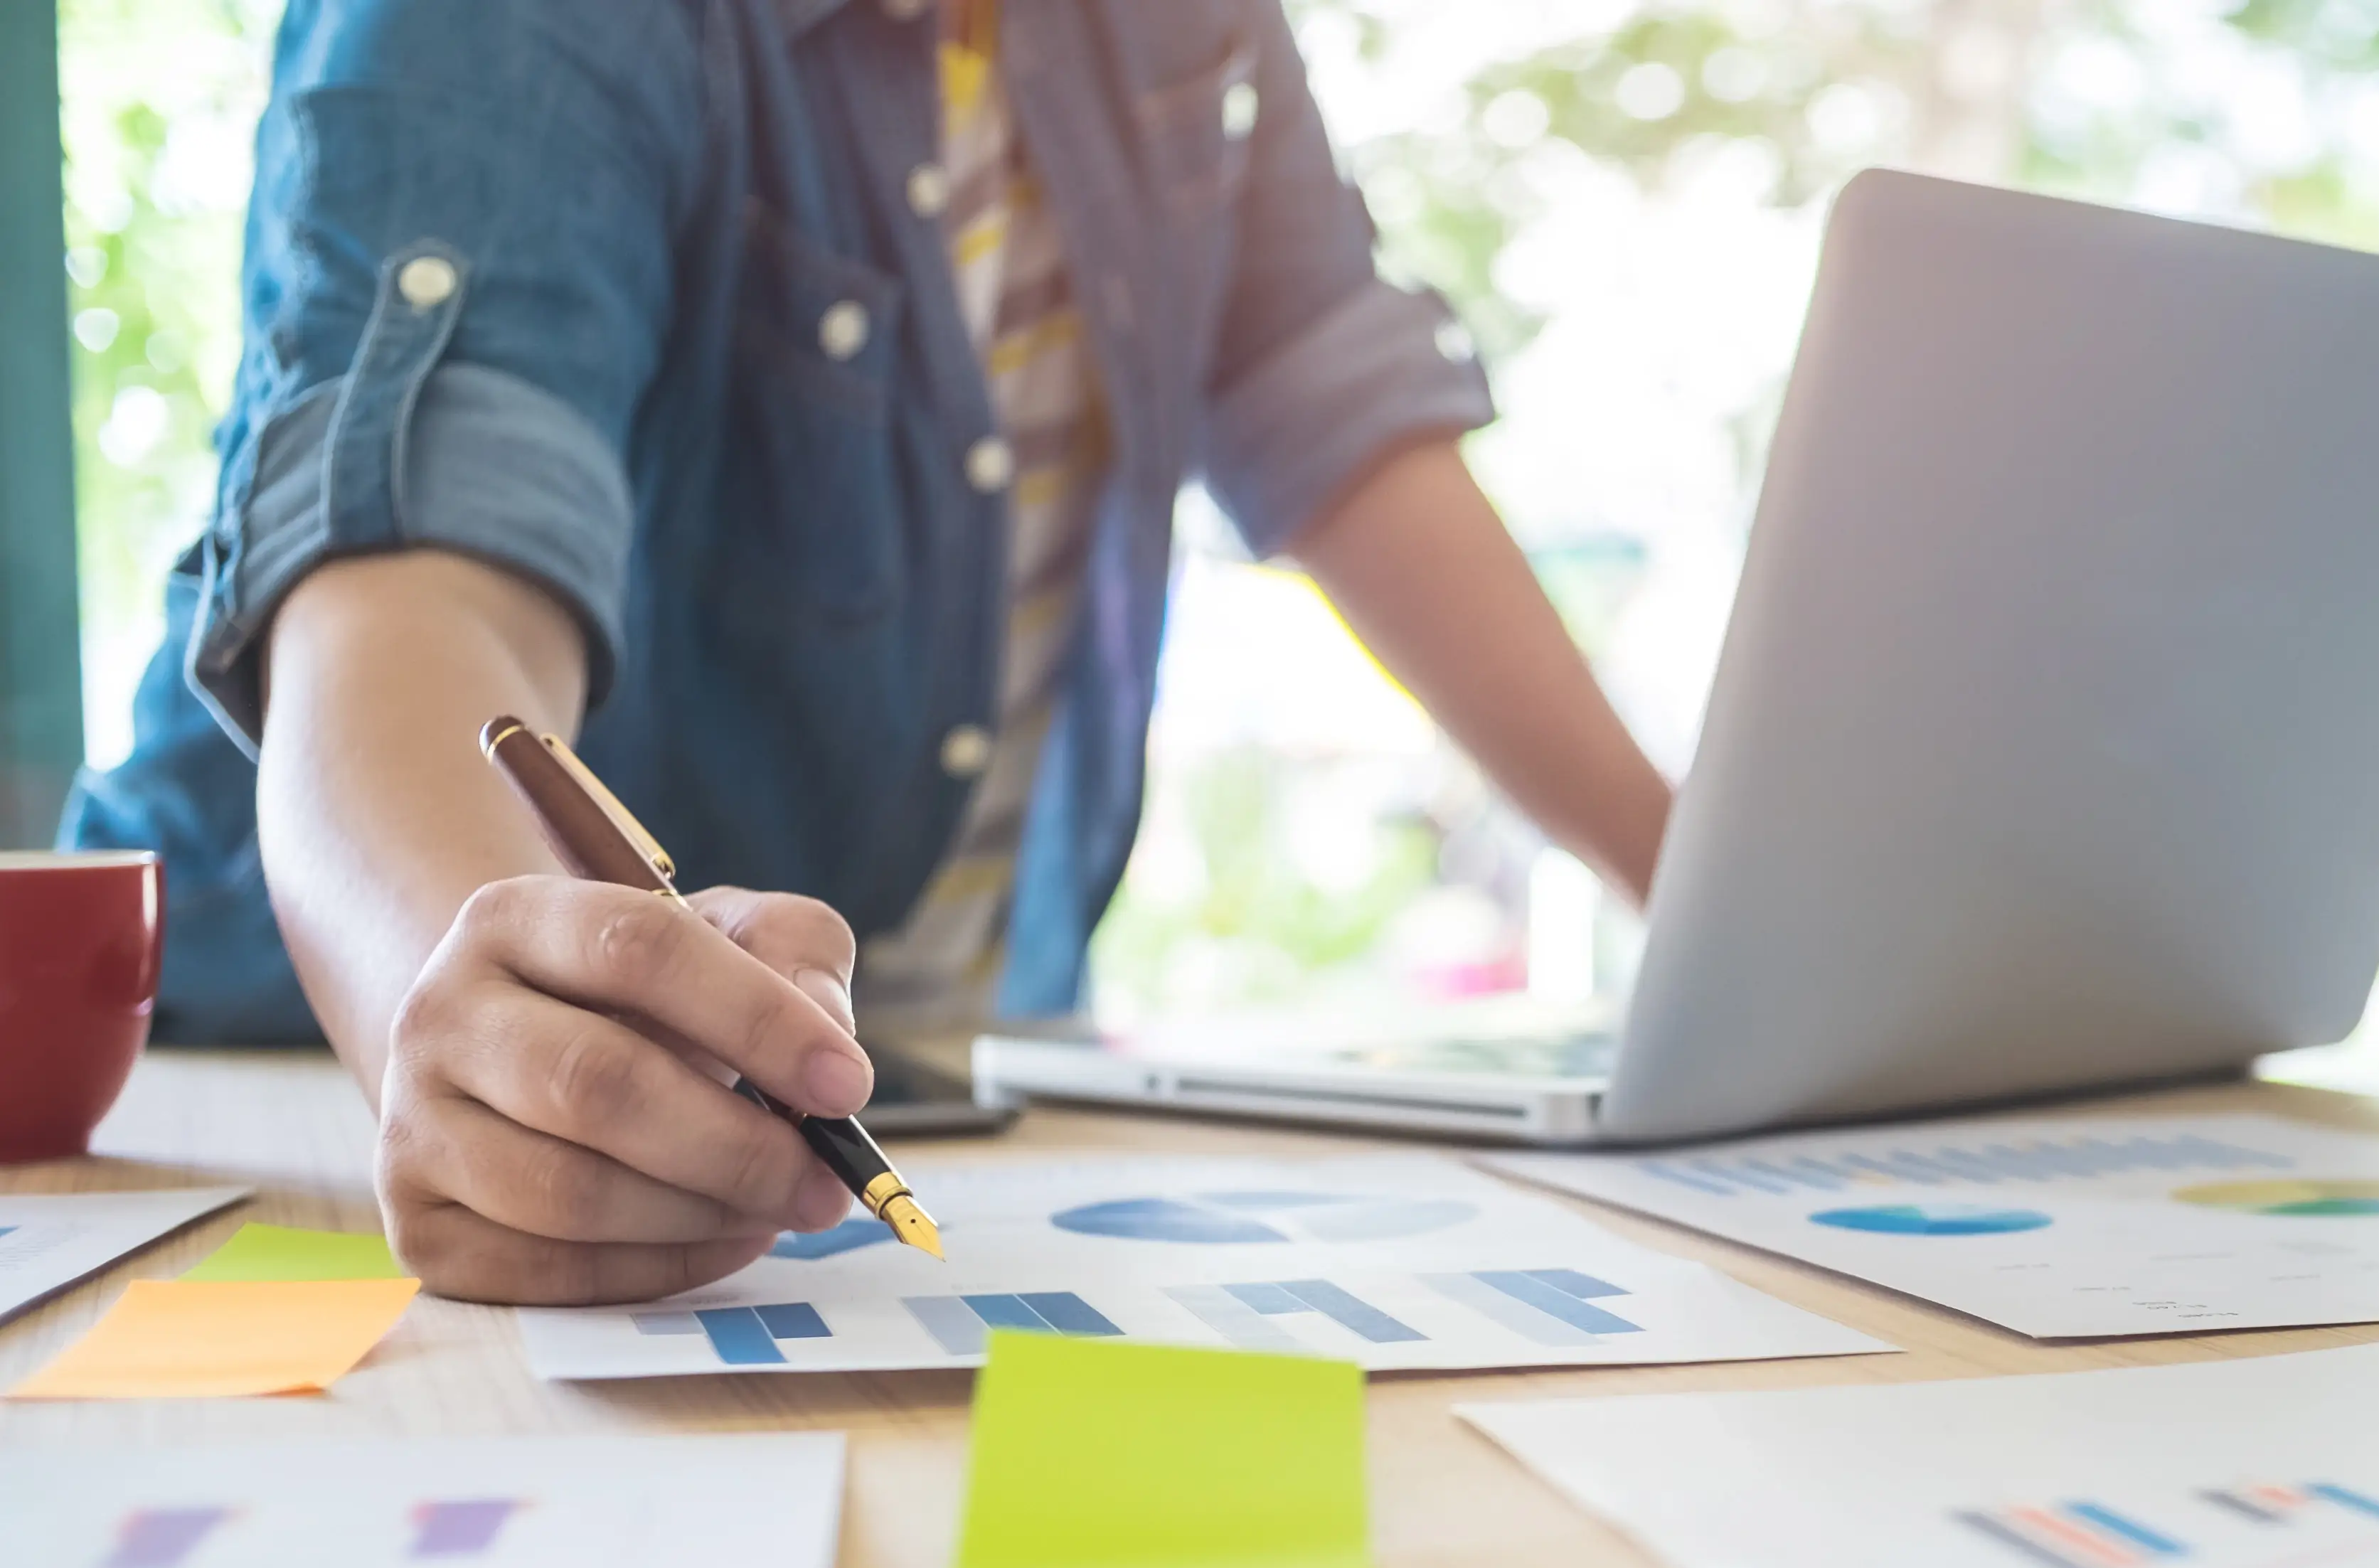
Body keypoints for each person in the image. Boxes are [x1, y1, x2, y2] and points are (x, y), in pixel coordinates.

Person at [63, 0, 1672, 1307]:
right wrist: (470, 999)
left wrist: (1701, 891)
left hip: (895, 1111)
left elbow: (1341, 432)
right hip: (339, 1098)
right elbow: (421, 578)